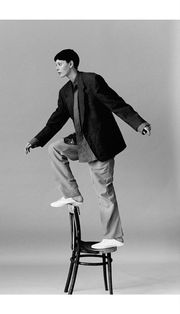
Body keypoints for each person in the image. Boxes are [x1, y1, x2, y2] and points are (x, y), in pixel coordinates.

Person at [25, 49, 151, 249]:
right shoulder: (65, 92)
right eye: (56, 65)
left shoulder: (92, 81)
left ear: (71, 63)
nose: (57, 68)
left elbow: (116, 103)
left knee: (104, 191)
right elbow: (56, 121)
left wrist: (139, 124)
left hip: (101, 143)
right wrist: (36, 139)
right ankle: (72, 194)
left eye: (59, 64)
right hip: (82, 142)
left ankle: (113, 236)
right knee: (55, 149)